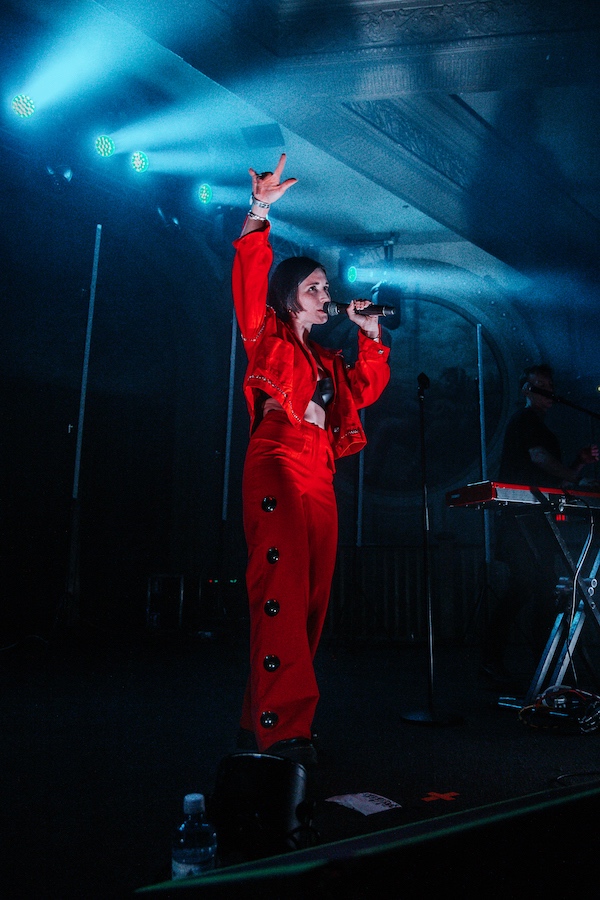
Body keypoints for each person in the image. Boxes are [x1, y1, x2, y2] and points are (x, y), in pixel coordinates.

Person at [231, 154, 390, 766]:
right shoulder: (265, 334)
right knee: (282, 586)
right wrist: (260, 208)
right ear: (290, 298)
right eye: (316, 288)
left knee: (314, 599)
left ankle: (259, 722)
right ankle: (285, 729)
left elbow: (367, 390)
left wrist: (370, 333)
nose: (328, 294)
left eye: (327, 286)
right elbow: (249, 275)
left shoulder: (327, 363)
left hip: (319, 472)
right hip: (276, 458)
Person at [481, 364, 598, 686]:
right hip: (523, 517)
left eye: (550, 386)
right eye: (541, 386)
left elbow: (548, 472)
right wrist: (574, 474)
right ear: (526, 391)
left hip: (536, 516)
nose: (548, 392)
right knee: (533, 586)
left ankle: (530, 660)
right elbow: (539, 460)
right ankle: (529, 661)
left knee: (529, 586)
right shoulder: (525, 421)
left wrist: (577, 463)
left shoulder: (541, 428)